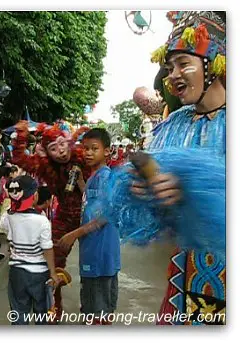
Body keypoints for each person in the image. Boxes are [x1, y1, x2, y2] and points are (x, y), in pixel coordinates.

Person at [107, 11, 226, 325]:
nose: (173, 75)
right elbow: (161, 222)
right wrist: (144, 193)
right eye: (169, 67)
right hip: (184, 275)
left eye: (184, 63)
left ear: (214, 64)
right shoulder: (172, 126)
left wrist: (196, 188)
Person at [11, 121, 91, 320]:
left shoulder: (83, 156)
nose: (60, 151)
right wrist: (21, 134)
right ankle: (54, 308)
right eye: (53, 148)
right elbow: (20, 158)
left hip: (92, 215)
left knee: (92, 265)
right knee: (53, 263)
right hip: (65, 216)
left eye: (62, 144)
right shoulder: (46, 166)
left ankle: (91, 309)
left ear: (68, 141)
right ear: (47, 153)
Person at [58, 128, 120, 325]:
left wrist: (73, 235)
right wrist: (81, 183)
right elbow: (93, 199)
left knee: (96, 308)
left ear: (108, 151)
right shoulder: (96, 176)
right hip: (95, 251)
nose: (88, 153)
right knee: (100, 304)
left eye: (95, 148)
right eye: (85, 149)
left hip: (98, 253)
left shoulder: (104, 177)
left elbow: (104, 217)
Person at [0, 175, 60, 325]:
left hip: (17, 273)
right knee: (42, 314)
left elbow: (1, 225)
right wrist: (52, 272)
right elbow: (47, 248)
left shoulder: (10, 217)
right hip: (39, 274)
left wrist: (9, 206)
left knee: (19, 314)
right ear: (35, 196)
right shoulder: (42, 221)